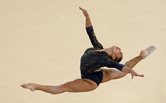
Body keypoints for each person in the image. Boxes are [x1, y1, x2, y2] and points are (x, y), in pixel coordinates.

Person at [21, 7, 156, 94]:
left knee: (64, 87)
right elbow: (90, 32)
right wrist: (87, 17)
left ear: (113, 57)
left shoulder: (105, 59)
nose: (120, 50)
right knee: (120, 73)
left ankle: (35, 86)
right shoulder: (98, 47)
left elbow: (119, 66)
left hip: (90, 81)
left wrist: (131, 71)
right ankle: (141, 56)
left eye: (119, 53)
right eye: (120, 51)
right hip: (98, 73)